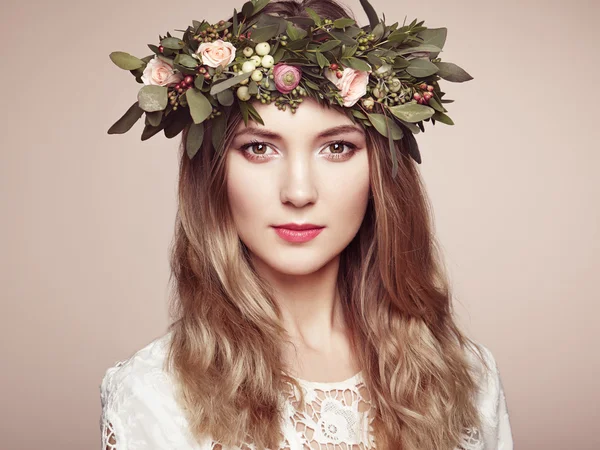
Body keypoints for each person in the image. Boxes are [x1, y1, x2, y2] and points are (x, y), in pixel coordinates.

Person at [101, 0, 514, 449]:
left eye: (336, 148)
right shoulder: (153, 395)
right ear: (214, 174)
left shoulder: (468, 375)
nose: (299, 193)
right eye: (259, 148)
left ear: (381, 172)